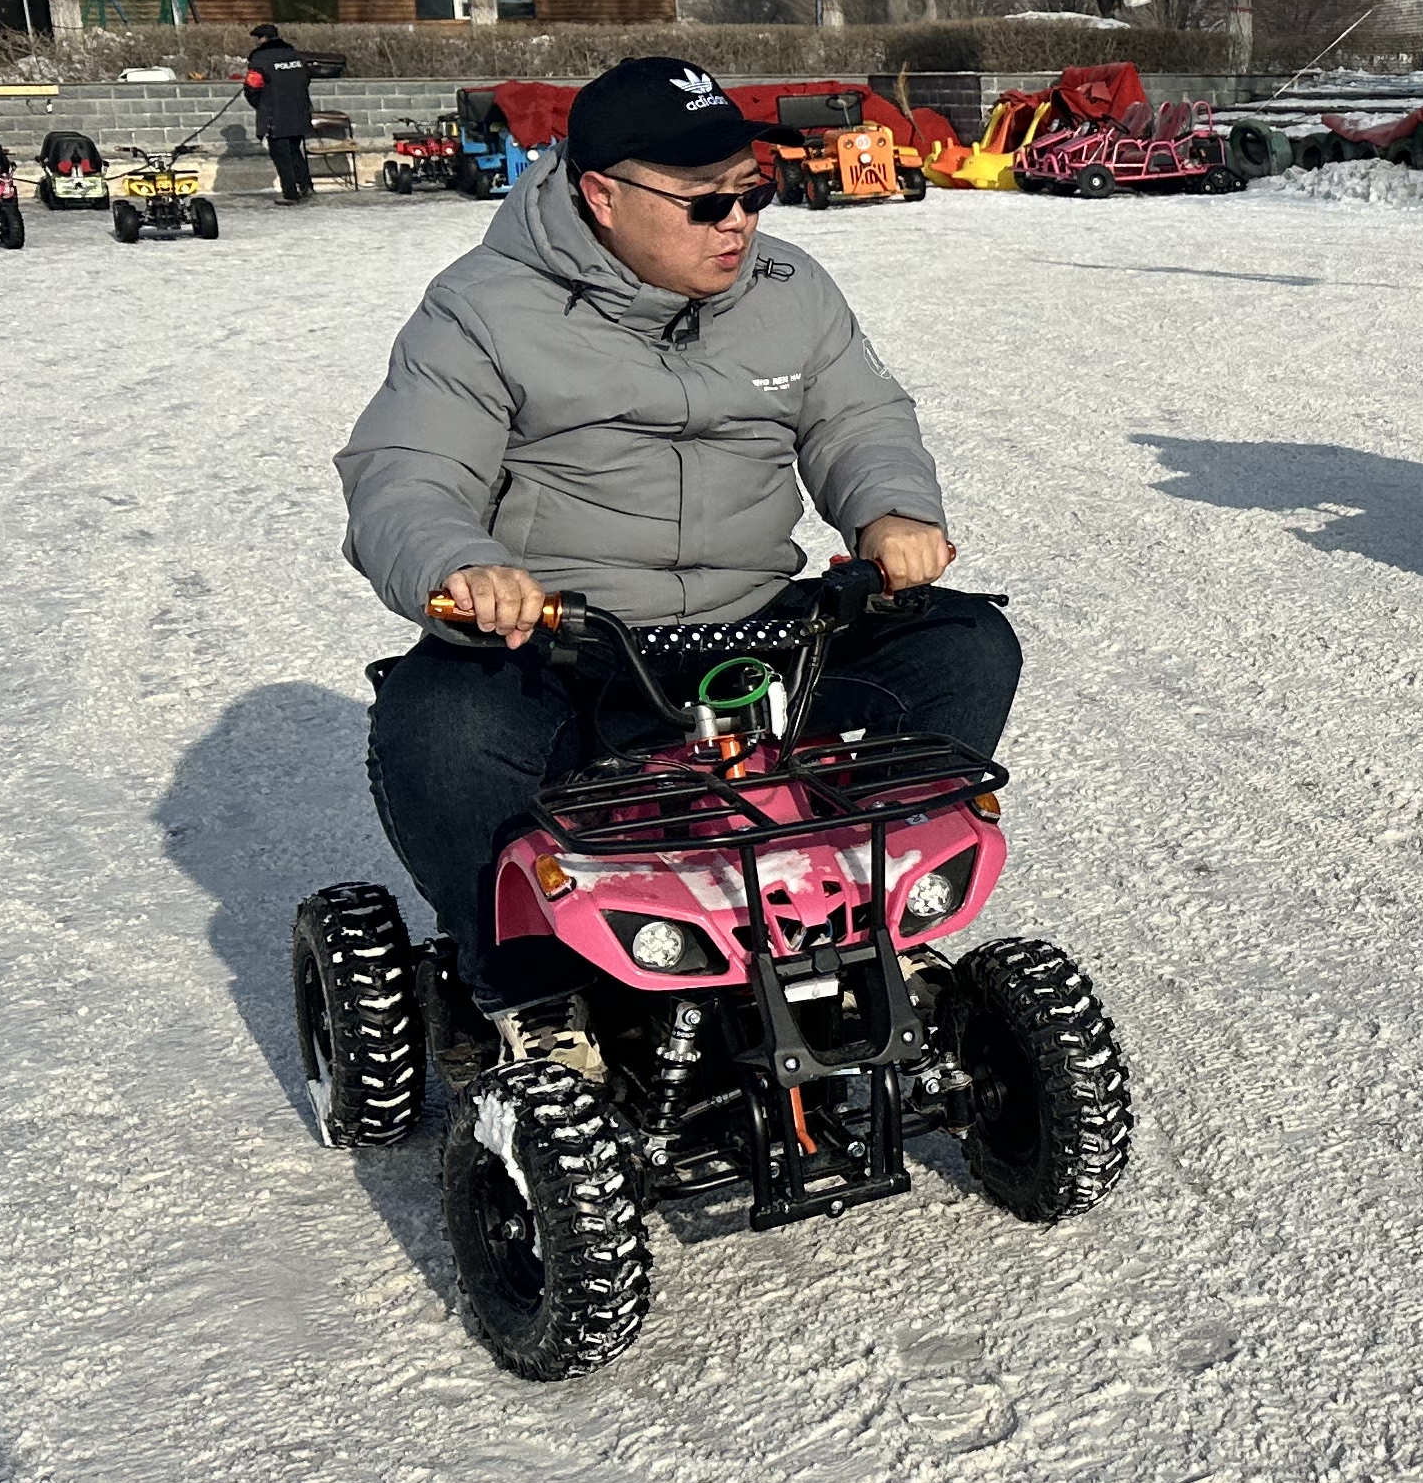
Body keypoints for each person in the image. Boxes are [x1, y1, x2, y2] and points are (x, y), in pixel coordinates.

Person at [337, 56, 1016, 989]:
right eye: (705, 202)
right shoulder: (482, 308)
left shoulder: (790, 287)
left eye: (752, 191)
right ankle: (523, 989)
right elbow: (407, 472)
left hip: (759, 622)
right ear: (603, 197)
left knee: (965, 644)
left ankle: (861, 904)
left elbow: (858, 418)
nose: (737, 221)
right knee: (439, 724)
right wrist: (460, 563)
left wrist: (893, 511)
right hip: (567, 642)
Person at [241, 22, 319, 203]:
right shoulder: (296, 55)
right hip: (298, 112)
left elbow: (252, 87)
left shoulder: (260, 60)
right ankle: (306, 185)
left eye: (258, 38)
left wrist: (260, 105)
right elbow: (306, 79)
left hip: (274, 115)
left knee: (281, 154)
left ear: (263, 39)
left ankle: (291, 193)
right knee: (294, 150)